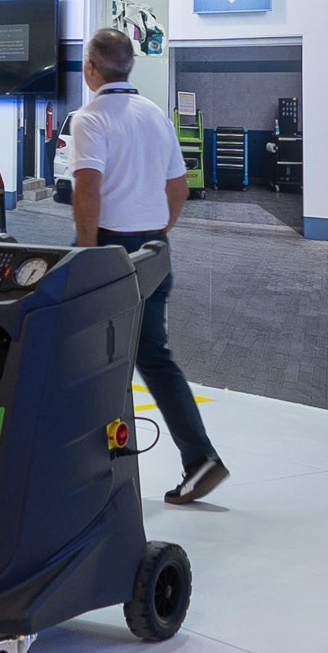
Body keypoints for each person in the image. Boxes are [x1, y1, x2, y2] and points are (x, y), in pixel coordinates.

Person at [70, 27, 227, 506]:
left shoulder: (91, 118)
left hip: (108, 252)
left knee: (82, 355)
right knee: (152, 356)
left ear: (91, 69)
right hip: (154, 251)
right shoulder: (155, 114)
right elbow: (178, 188)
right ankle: (199, 459)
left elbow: (87, 192)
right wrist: (155, 232)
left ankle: (83, 469)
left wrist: (87, 257)